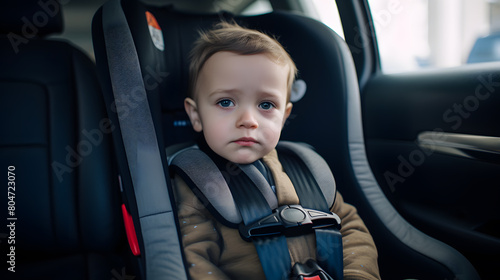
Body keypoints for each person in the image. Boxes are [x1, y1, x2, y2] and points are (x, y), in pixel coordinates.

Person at [172, 21, 380, 280]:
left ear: (284, 116)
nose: (248, 119)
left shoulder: (307, 169)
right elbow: (194, 262)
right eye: (226, 102)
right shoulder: (194, 185)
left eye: (266, 105)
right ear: (196, 115)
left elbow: (349, 228)